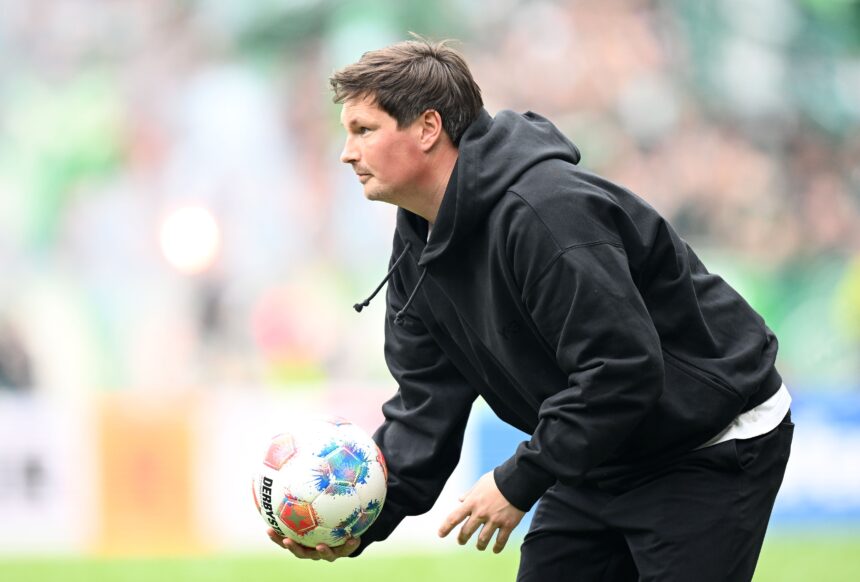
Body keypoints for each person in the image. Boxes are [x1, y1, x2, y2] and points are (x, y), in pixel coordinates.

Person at [267, 37, 793, 581]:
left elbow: (624, 369)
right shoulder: (417, 243)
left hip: (704, 443)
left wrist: (519, 479)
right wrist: (362, 521)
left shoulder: (546, 212)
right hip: (601, 451)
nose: (347, 153)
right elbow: (427, 404)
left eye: (364, 130)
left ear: (427, 128)